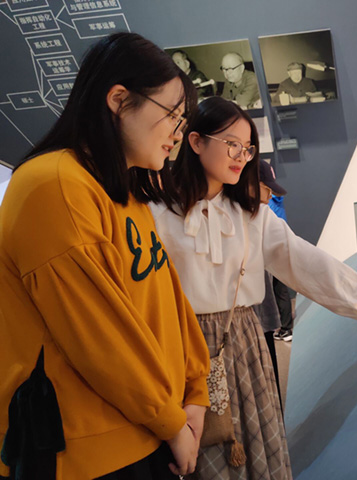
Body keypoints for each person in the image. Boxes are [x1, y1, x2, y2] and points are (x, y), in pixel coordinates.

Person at [151, 96, 357, 479]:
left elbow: (305, 262)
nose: (241, 156)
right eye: (231, 144)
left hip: (243, 343)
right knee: (195, 454)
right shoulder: (155, 213)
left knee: (255, 445)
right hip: (180, 345)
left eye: (248, 148)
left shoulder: (252, 215)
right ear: (195, 142)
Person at [0, 33, 210, 479]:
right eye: (172, 116)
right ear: (118, 100)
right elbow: (97, 335)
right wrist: (171, 420)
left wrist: (194, 390)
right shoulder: (54, 185)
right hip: (87, 450)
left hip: (144, 427)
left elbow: (166, 300)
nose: (177, 133)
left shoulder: (122, 188)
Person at [257, 161, 295, 343]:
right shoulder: (271, 204)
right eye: (267, 189)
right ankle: (285, 328)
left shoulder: (265, 209)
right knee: (279, 290)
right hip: (277, 250)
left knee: (276, 290)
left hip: (272, 251)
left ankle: (284, 328)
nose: (268, 196)